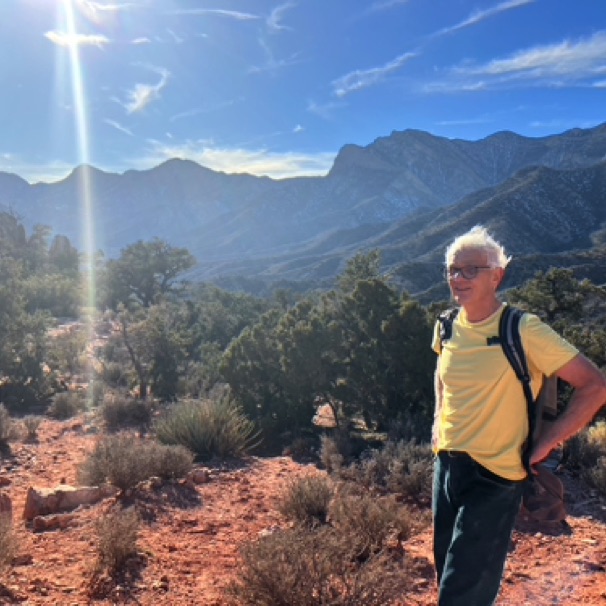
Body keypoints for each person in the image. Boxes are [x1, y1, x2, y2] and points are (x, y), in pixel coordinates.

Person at [431, 225, 606, 606]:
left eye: (470, 269)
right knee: (447, 575)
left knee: (462, 595)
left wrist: (546, 443)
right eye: (452, 269)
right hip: (446, 468)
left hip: (495, 474)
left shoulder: (523, 330)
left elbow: (595, 385)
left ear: (498, 275)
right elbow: (442, 375)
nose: (458, 278)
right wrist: (437, 421)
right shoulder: (445, 326)